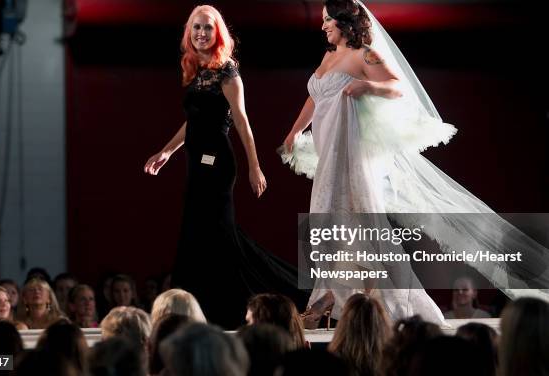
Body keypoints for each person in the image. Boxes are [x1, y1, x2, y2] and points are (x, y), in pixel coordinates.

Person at [281, 0, 549, 325]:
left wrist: (368, 85)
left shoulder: (365, 54)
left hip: (352, 156)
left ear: (345, 22)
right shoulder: (328, 56)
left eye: (327, 20)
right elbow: (314, 96)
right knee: (327, 226)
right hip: (329, 157)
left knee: (362, 229)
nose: (322, 26)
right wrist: (295, 131)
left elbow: (396, 86)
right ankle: (333, 298)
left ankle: (371, 305)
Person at [144, 4, 305, 329]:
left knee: (219, 234)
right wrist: (167, 152)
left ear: (218, 34)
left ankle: (254, 303)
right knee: (196, 234)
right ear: (189, 33)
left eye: (207, 28)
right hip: (194, 162)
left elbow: (242, 122)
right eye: (196, 28)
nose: (201, 33)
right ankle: (199, 310)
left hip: (219, 163)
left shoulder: (227, 71)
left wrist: (254, 167)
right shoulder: (194, 67)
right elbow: (193, 121)